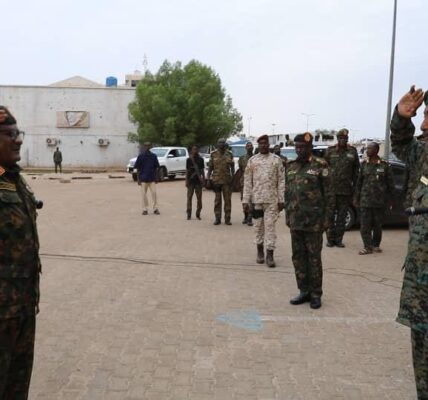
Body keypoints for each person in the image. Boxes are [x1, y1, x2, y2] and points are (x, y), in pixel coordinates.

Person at [0, 106, 42, 399]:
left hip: (22, 306)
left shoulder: (13, 178)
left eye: (18, 133)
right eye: (9, 134)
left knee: (17, 385)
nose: (18, 140)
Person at [390, 85, 428, 399]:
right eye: (425, 116)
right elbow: (402, 144)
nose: (424, 124)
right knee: (422, 350)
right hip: (421, 281)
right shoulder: (424, 153)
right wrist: (402, 119)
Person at [284, 132, 333, 309]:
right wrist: (287, 215)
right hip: (296, 221)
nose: (299, 150)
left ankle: (316, 294)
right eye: (297, 147)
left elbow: (329, 194)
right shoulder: (291, 166)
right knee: (298, 257)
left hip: (314, 222)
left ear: (310, 147)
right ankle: (303, 290)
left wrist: (327, 220)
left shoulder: (321, 165)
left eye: (303, 147)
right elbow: (288, 193)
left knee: (313, 259)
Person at [242, 135, 285, 267]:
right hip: (257, 201)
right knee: (258, 227)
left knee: (270, 228)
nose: (263, 145)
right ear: (258, 145)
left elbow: (281, 180)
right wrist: (245, 200)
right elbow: (247, 181)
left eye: (265, 143)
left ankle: (270, 255)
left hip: (272, 201)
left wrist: (281, 199)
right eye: (261, 143)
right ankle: (260, 252)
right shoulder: (252, 160)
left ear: (269, 145)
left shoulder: (276, 160)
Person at [353, 142, 394, 255]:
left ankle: (376, 245)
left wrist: (391, 200)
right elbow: (359, 183)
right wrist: (356, 198)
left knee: (377, 225)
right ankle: (367, 247)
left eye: (370, 148)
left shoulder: (384, 165)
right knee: (365, 225)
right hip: (365, 201)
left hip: (379, 201)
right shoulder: (364, 164)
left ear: (376, 150)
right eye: (367, 148)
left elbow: (390, 184)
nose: (367, 150)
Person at [324, 129, 360, 247]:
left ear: (347, 139)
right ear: (337, 139)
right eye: (341, 138)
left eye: (345, 138)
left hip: (345, 191)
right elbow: (324, 169)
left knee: (342, 216)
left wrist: (355, 188)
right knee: (329, 216)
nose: (343, 140)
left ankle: (338, 240)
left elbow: (356, 171)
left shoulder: (352, 152)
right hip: (331, 190)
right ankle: (330, 240)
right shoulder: (330, 151)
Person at [207, 138, 235, 225]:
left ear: (225, 144)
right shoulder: (213, 154)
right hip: (216, 181)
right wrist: (208, 179)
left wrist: (233, 177)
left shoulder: (229, 154)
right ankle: (217, 218)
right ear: (217, 144)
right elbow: (210, 168)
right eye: (220, 143)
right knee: (217, 201)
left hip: (227, 181)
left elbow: (232, 167)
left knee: (227, 201)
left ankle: (227, 219)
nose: (221, 144)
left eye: (223, 142)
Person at [134, 142, 160, 215]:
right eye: (146, 146)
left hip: (152, 178)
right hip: (143, 178)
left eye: (148, 146)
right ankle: (145, 209)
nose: (147, 147)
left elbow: (156, 167)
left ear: (150, 147)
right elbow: (138, 168)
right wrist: (138, 179)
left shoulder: (153, 156)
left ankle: (155, 208)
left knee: (154, 193)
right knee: (143, 195)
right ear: (144, 146)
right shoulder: (140, 156)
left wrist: (157, 177)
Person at [185, 145, 205, 220]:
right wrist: (186, 181)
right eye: (193, 149)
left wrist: (203, 179)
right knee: (189, 198)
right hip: (191, 181)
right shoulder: (189, 160)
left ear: (198, 150)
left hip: (198, 181)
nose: (195, 151)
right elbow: (187, 171)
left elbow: (202, 170)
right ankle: (189, 213)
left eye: (196, 149)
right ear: (191, 150)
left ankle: (198, 213)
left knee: (199, 199)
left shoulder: (201, 159)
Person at [238, 142, 254, 226]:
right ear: (245, 148)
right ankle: (245, 216)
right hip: (244, 181)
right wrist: (240, 181)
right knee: (244, 200)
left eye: (251, 146)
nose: (249, 147)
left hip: (254, 181)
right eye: (248, 146)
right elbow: (240, 170)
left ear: (253, 147)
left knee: (252, 200)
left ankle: (250, 218)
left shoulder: (256, 158)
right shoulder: (242, 158)